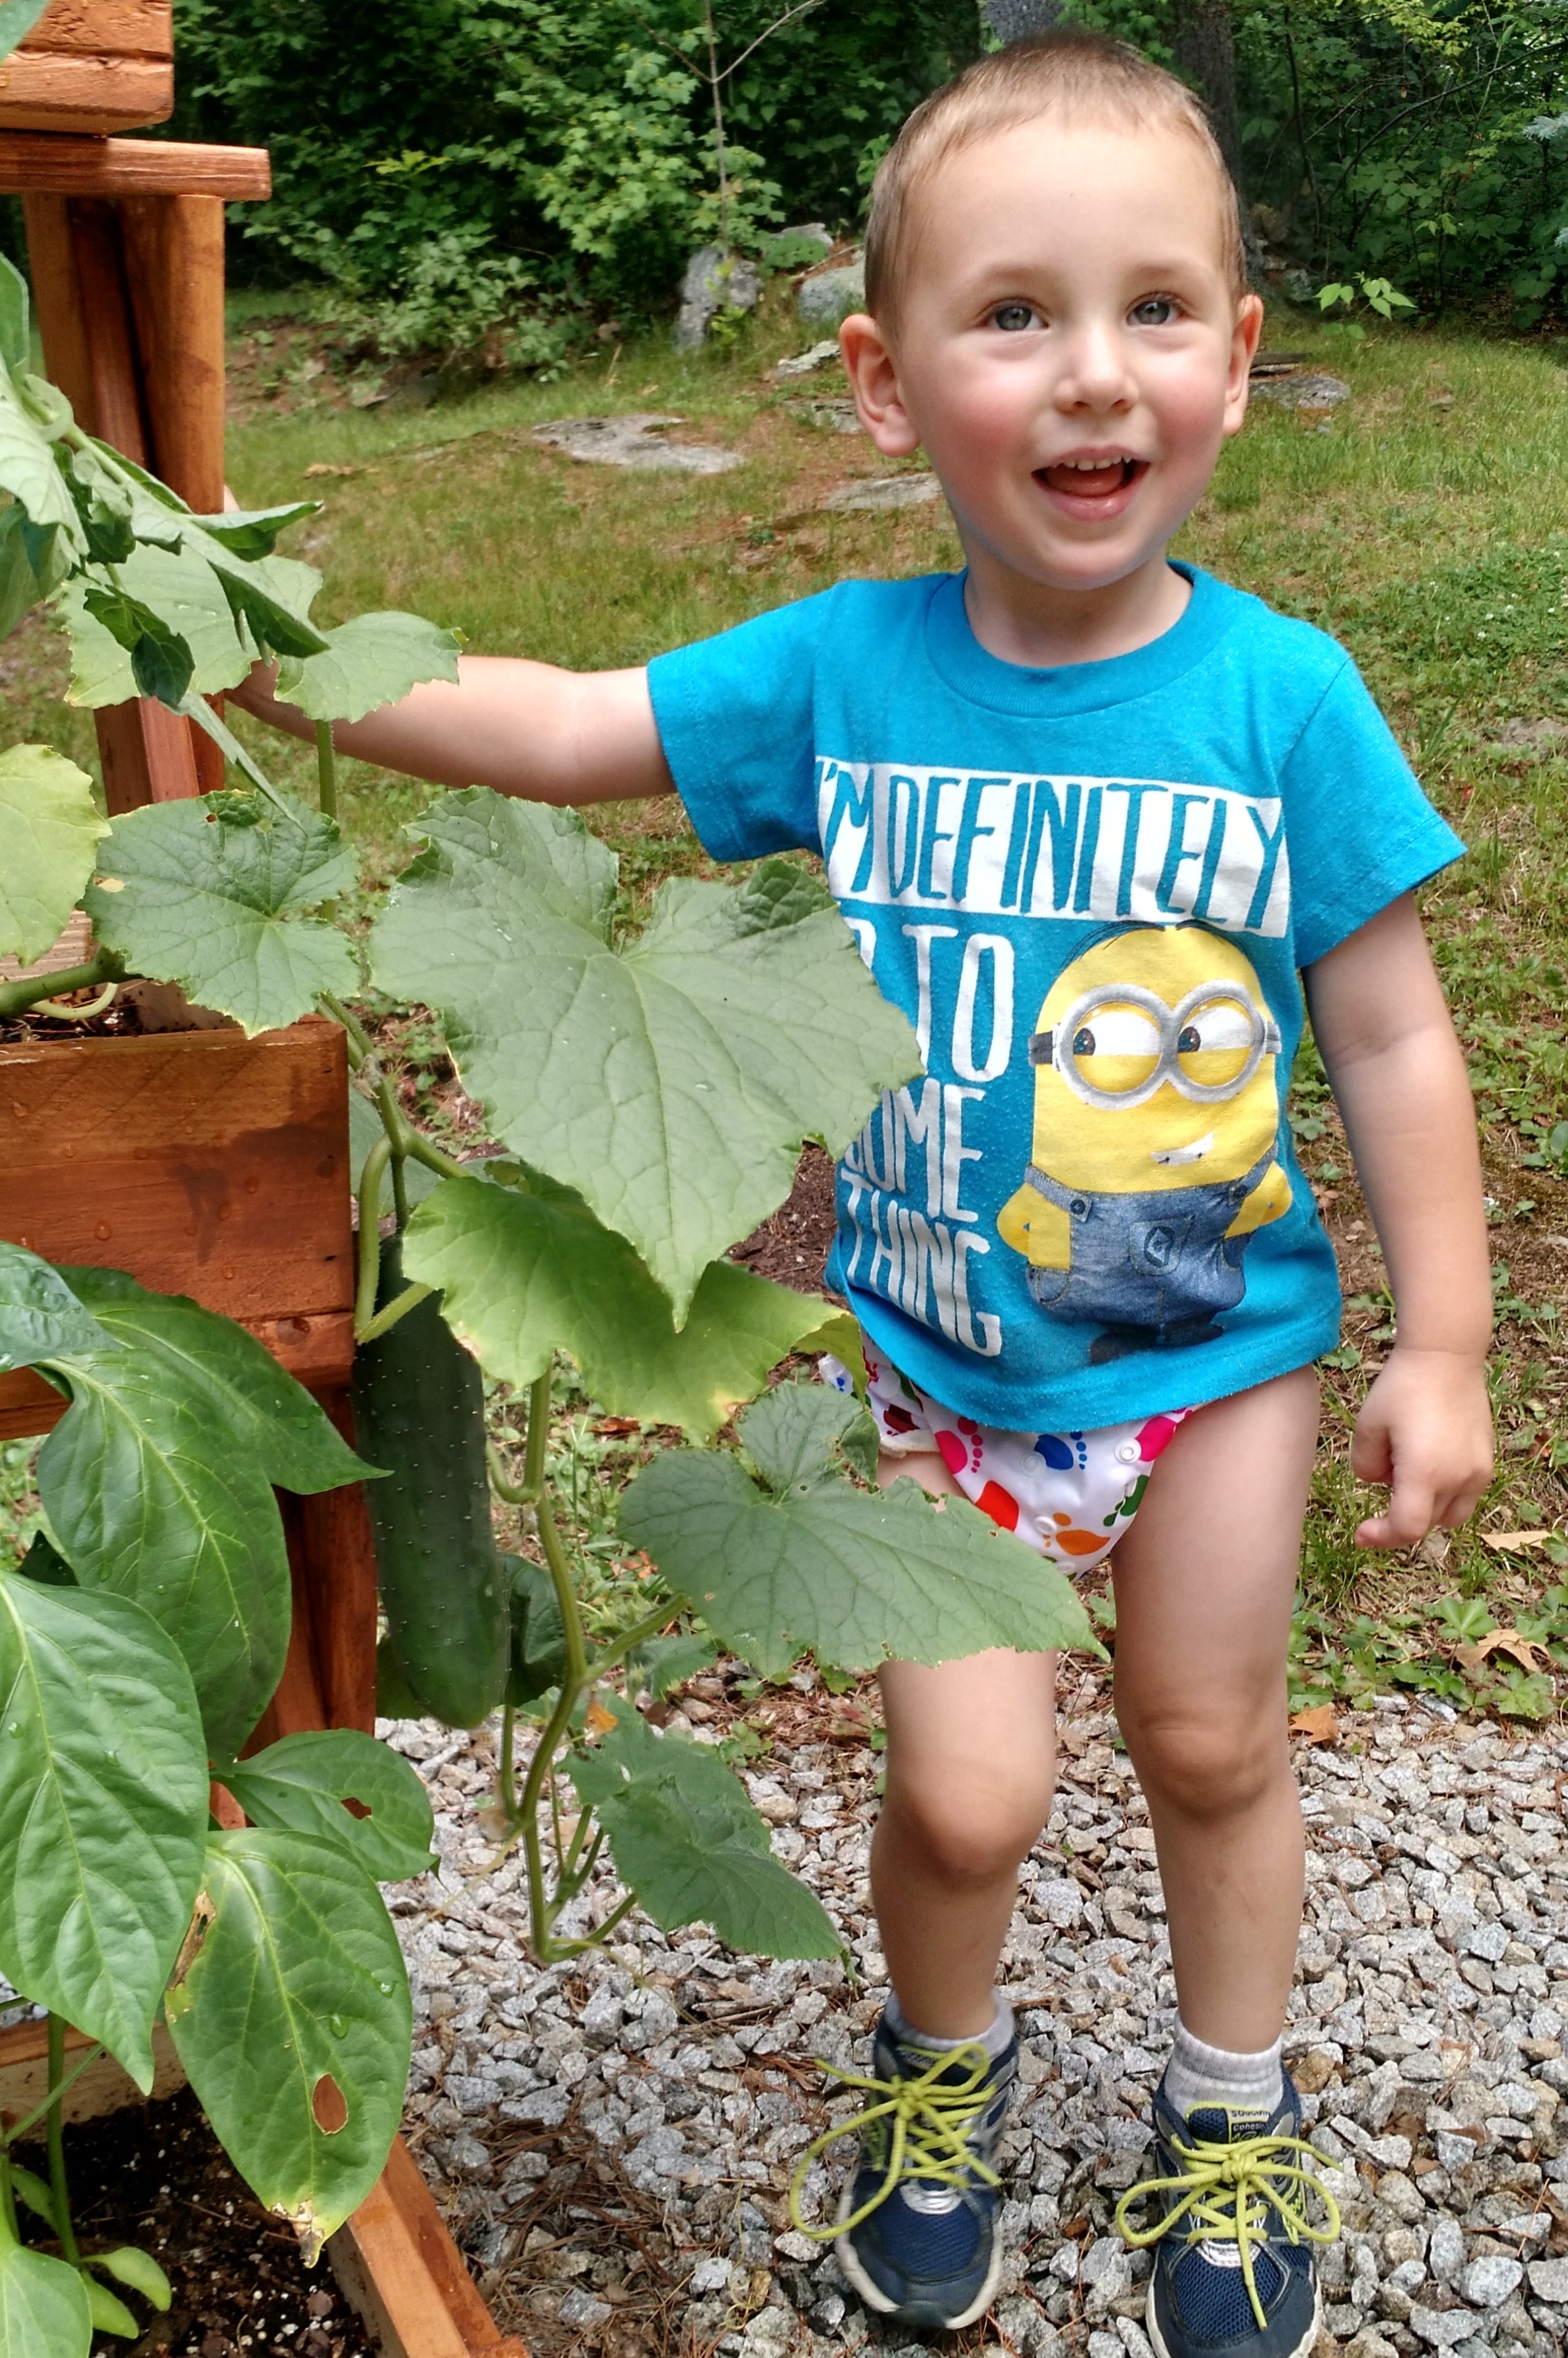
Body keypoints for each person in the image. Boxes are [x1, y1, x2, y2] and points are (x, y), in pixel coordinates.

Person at [237, 30, 1495, 2357]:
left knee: (1210, 1739)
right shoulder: (842, 671)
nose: (1089, 371)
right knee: (969, 1795)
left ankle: (1231, 2101)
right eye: (1012, 313)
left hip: (1213, 1353)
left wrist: (1443, 1342)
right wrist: (292, 665)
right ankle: (939, 2072)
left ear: (1233, 358)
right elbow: (573, 721)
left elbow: (1394, 1037)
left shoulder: (1282, 702)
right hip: (937, 1377)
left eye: (1150, 310)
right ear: (882, 380)